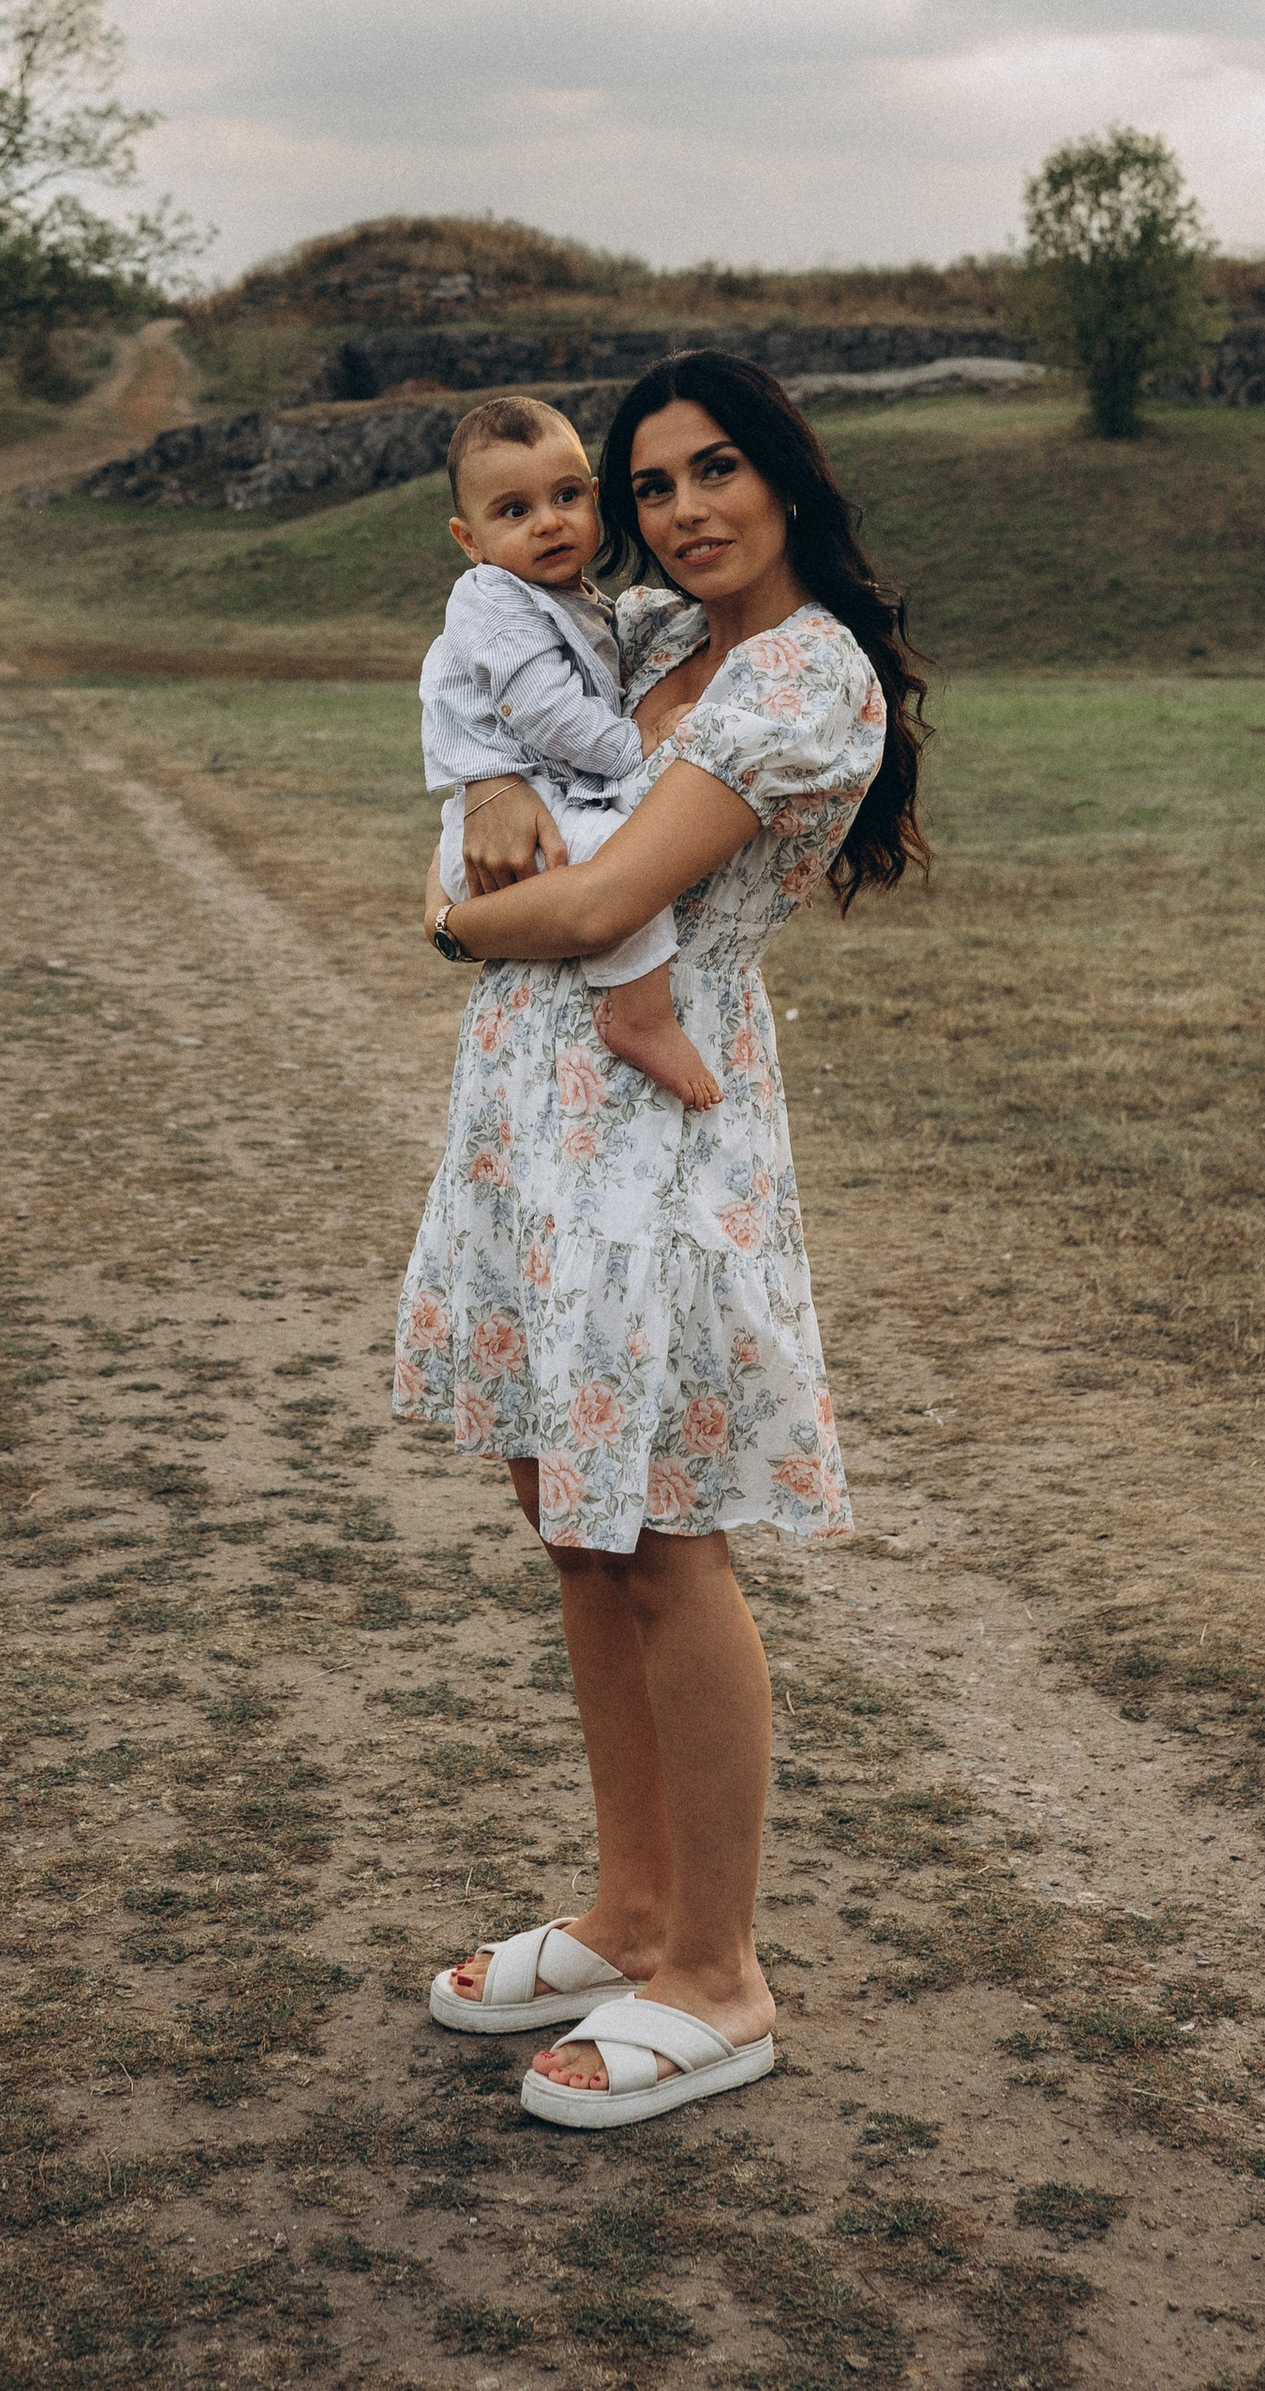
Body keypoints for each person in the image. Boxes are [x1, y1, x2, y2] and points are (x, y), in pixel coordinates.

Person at [393, 351, 929, 2130]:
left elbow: (611, 900)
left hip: (662, 1137)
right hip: (532, 1122)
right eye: (652, 487)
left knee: (668, 1535)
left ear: (785, 475)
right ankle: (629, 1908)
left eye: (719, 472)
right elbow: (481, 775)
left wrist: (471, 922)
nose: (685, 510)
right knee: (572, 1519)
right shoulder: (629, 644)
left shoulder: (804, 671)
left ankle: (720, 1969)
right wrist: (471, 818)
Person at [423, 390, 720, 1111]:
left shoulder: (576, 597)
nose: (550, 522)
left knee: (618, 856)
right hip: (513, 818)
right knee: (622, 860)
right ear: (471, 540)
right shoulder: (492, 597)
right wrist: (634, 746)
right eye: (514, 511)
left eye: (565, 496)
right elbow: (546, 710)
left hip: (536, 802)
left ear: (593, 498)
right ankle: (642, 1019)